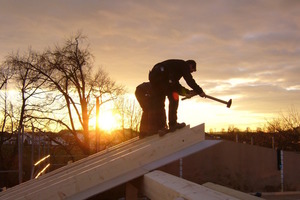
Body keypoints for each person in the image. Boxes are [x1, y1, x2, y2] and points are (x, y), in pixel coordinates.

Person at [148, 59, 206, 132]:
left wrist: (187, 93)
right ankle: (173, 124)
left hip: (154, 76)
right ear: (190, 65)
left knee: (159, 103)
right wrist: (200, 91)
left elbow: (175, 85)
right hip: (163, 75)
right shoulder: (184, 65)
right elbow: (189, 80)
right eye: (192, 70)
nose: (191, 72)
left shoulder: (174, 68)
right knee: (174, 99)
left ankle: (160, 127)